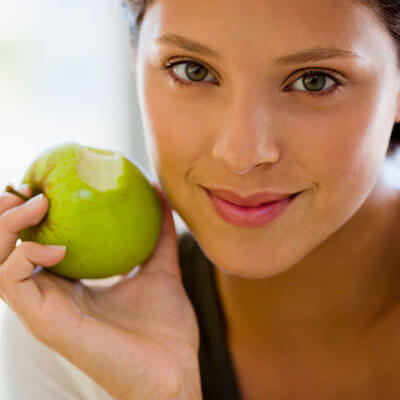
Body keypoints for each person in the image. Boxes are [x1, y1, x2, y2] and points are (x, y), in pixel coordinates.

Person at [1, 0, 400, 398]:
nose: (242, 154)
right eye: (193, 70)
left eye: (315, 80)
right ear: (133, 57)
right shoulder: (68, 337)